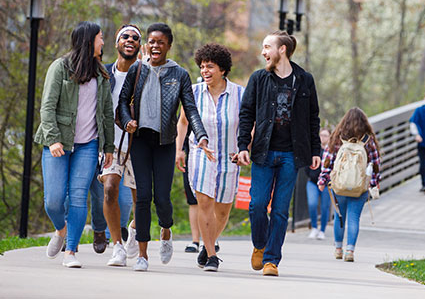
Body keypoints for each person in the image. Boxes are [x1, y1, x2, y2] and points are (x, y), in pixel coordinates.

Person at [118, 22, 212, 272]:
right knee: (143, 196)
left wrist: (200, 134)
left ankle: (166, 230)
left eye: (160, 42)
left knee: (161, 198)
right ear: (146, 44)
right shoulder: (137, 69)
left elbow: (189, 108)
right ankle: (142, 254)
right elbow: (122, 103)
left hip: (165, 143)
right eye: (151, 41)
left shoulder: (179, 74)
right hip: (139, 140)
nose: (155, 45)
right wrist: (128, 121)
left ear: (168, 45)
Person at [235, 31, 321, 277]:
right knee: (257, 205)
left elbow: (313, 118)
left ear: (282, 50)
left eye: (267, 47)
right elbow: (246, 114)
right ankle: (260, 245)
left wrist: (316, 150)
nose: (263, 52)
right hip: (263, 152)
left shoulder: (305, 80)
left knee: (281, 210)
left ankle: (272, 260)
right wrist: (243, 146)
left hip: (290, 155)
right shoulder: (259, 78)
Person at [34, 21, 114, 268]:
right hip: (58, 144)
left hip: (88, 146)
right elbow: (47, 106)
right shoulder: (60, 67)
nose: (103, 42)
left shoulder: (101, 74)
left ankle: (70, 251)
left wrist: (108, 147)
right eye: (100, 38)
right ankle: (61, 229)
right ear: (89, 41)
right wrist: (54, 138)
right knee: (54, 201)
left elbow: (107, 113)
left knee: (78, 197)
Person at [176, 43, 244, 272]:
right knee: (204, 202)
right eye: (202, 66)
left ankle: (208, 243)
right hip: (201, 154)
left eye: (210, 66)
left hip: (230, 156)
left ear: (223, 69)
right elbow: (183, 122)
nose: (205, 71)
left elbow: (249, 126)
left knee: (223, 209)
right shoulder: (193, 93)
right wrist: (179, 149)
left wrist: (246, 148)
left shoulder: (239, 94)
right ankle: (212, 255)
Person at [97, 24, 143, 266]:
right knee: (110, 189)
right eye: (124, 36)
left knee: (141, 198)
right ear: (116, 43)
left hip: (138, 144)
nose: (130, 40)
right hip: (110, 144)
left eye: (135, 38)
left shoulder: (144, 74)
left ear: (139, 46)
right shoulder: (103, 73)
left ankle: (135, 228)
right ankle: (117, 246)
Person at [317, 107, 381, 262]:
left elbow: (327, 159)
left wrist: (322, 179)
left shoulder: (337, 137)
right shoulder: (368, 140)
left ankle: (338, 249)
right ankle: (350, 251)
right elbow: (375, 163)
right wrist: (374, 183)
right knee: (354, 218)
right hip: (360, 186)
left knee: (340, 217)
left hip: (339, 185)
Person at [306, 127, 332, 240]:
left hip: (327, 184)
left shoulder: (331, 151)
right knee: (312, 204)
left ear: (330, 137)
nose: (323, 138)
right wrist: (311, 174)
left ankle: (322, 230)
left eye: (325, 135)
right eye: (321, 135)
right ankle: (314, 227)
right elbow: (307, 164)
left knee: (325, 207)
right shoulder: (314, 149)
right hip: (312, 182)